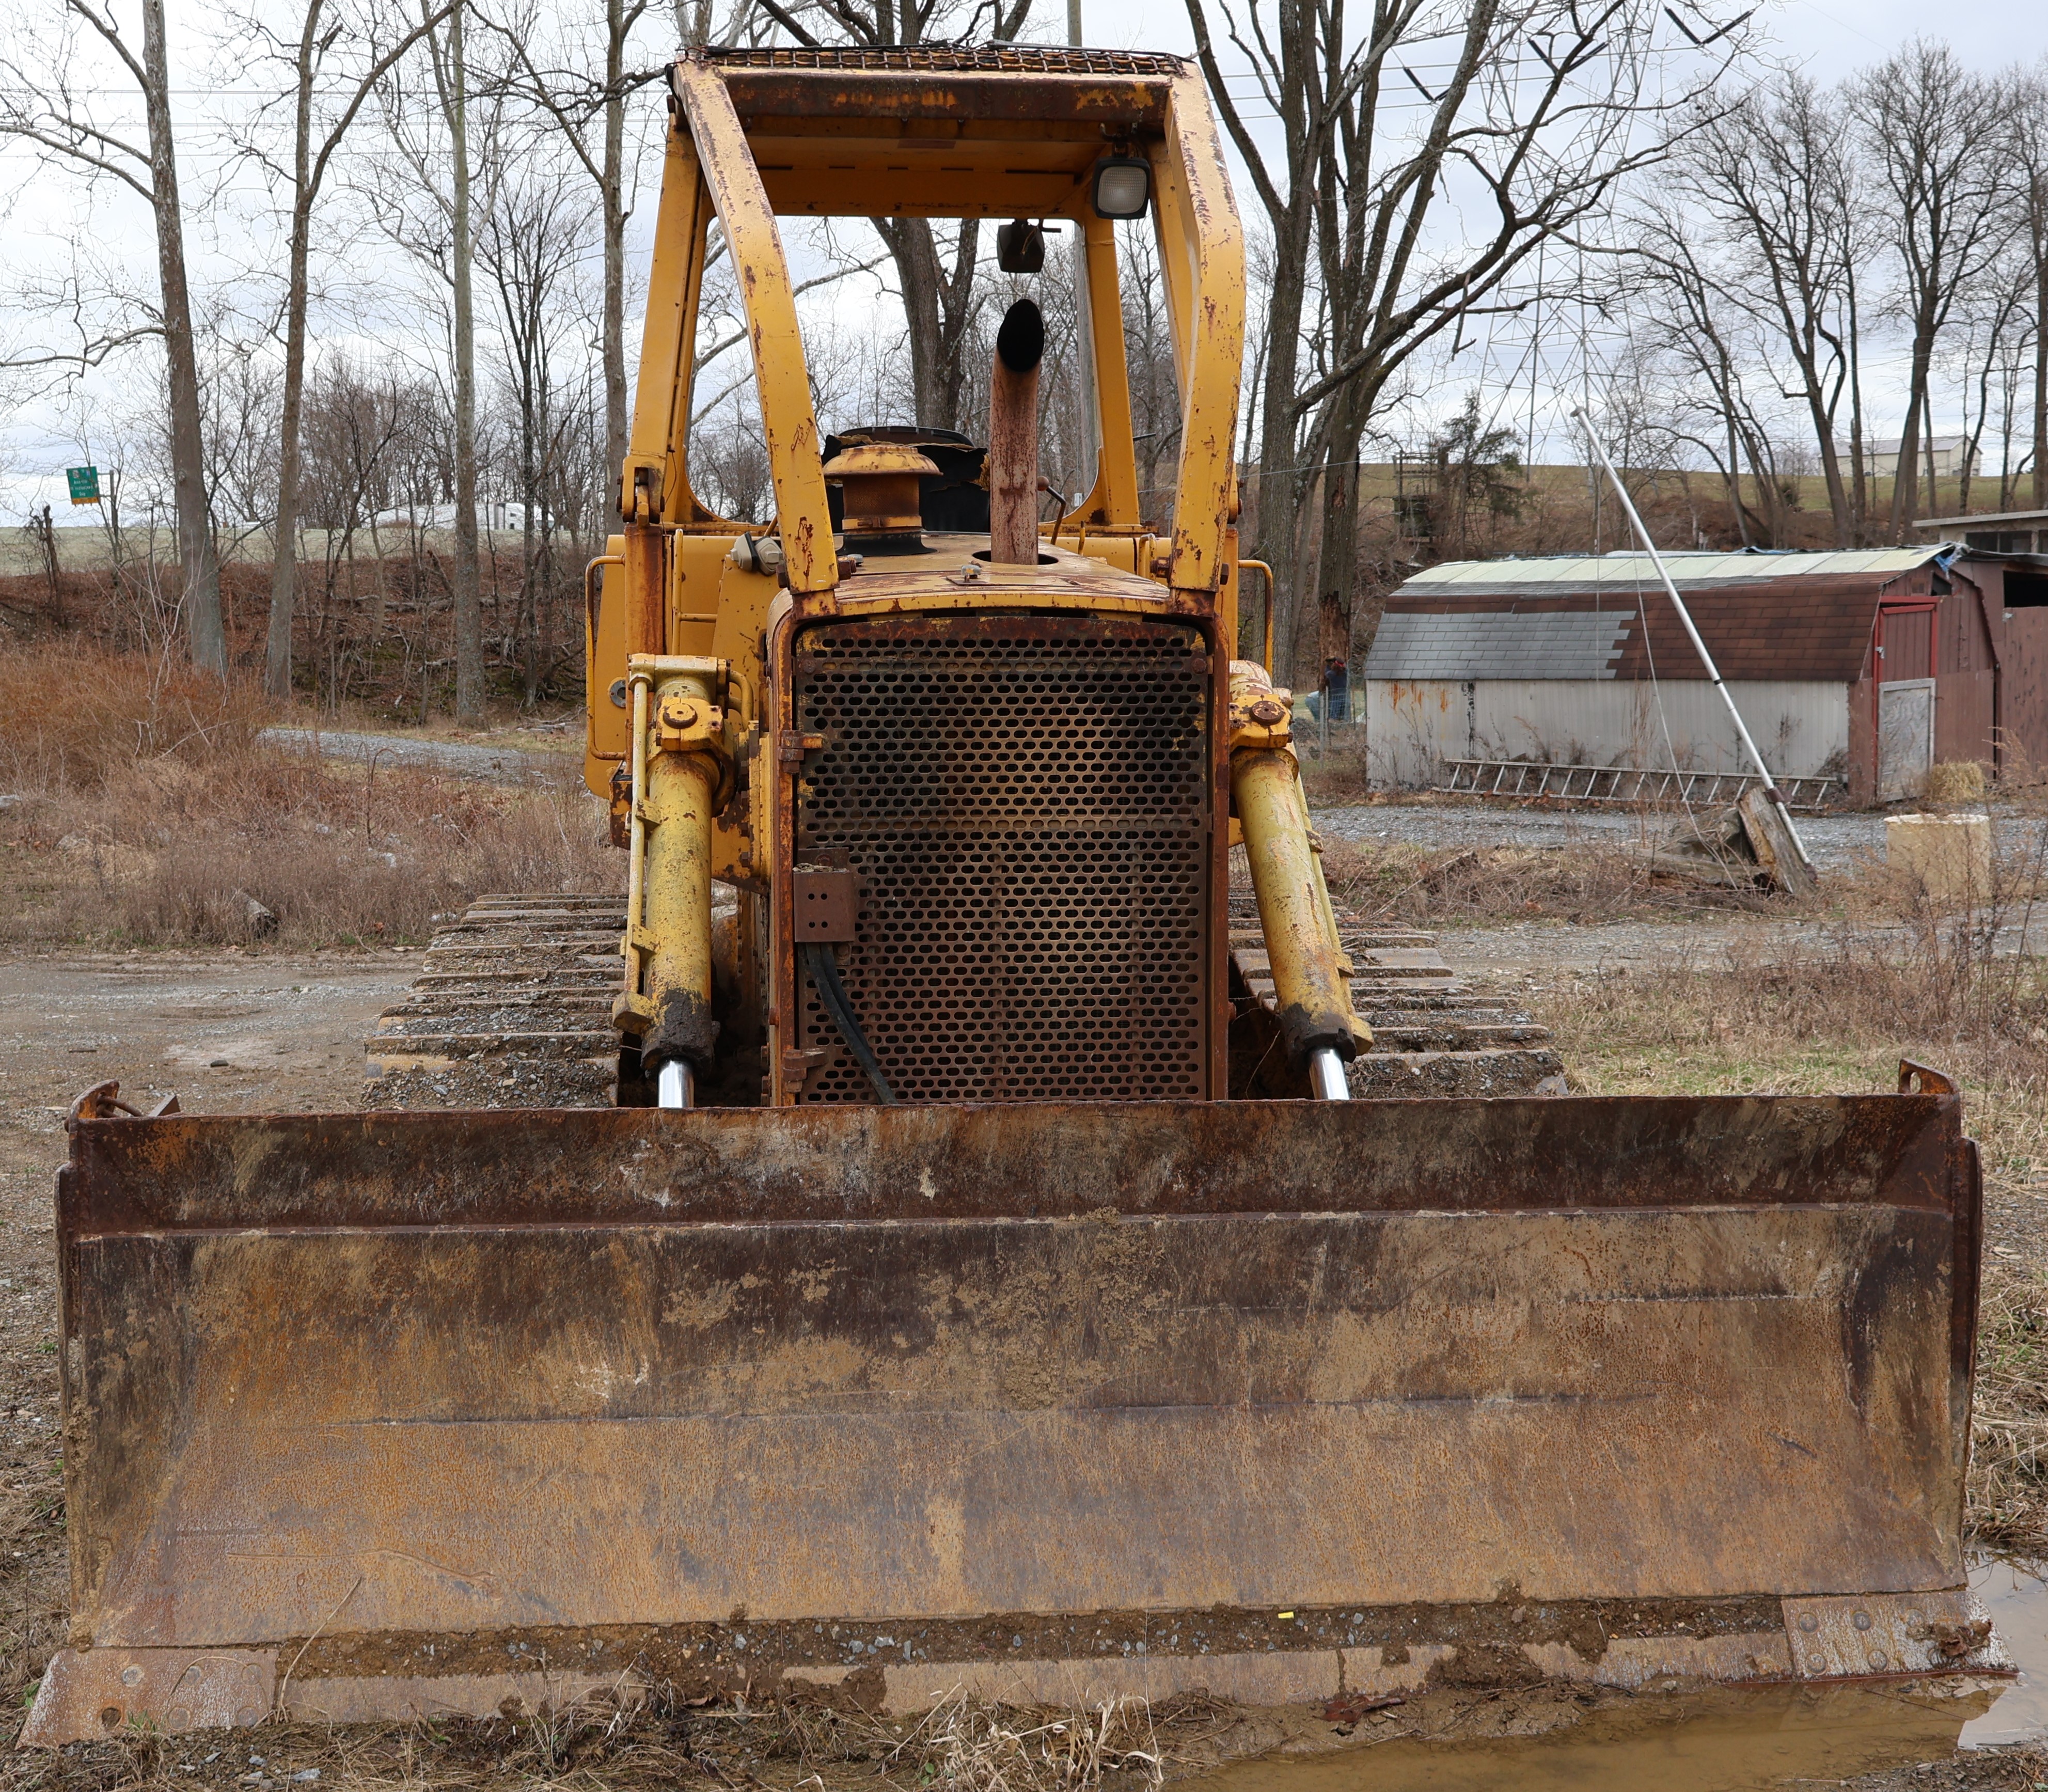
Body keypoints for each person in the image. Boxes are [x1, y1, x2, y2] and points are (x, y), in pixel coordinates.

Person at [1322, 655, 1350, 724]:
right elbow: (1344, 666)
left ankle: (1333, 719)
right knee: (1343, 707)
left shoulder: (1331, 674)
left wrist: (1329, 664)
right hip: (1344, 693)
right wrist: (1337, 659)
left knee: (1335, 707)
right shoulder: (1345, 673)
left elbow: (1326, 673)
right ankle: (1343, 719)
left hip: (1335, 694)